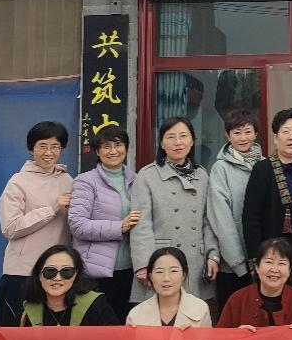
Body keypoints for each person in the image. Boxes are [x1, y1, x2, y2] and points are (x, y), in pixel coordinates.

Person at [129, 116, 219, 307]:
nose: (178, 142)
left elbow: (208, 220)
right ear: (162, 143)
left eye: (183, 136)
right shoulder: (147, 175)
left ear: (192, 141)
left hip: (195, 261)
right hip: (160, 261)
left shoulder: (201, 174)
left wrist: (212, 254)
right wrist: (144, 264)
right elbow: (141, 224)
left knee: (193, 316)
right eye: (171, 137)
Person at [0, 121, 74, 326]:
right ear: (31, 149)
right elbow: (10, 228)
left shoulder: (68, 181)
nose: (49, 152)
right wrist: (51, 208)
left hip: (57, 274)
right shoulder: (18, 182)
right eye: (42, 146)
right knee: (16, 335)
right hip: (23, 273)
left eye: (55, 147)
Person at [68, 125, 139, 322]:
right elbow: (77, 225)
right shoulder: (86, 181)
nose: (113, 151)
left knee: (124, 326)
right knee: (97, 329)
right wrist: (119, 227)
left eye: (118, 145)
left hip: (130, 270)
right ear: (97, 152)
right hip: (96, 272)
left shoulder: (137, 180)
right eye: (106, 146)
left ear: (126, 148)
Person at [243, 108, 292, 294]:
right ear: (276, 138)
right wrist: (257, 259)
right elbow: (251, 218)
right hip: (277, 259)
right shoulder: (263, 170)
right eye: (286, 132)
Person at [206, 110, 264, 313]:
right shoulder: (220, 168)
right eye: (237, 133)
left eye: (248, 131)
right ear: (228, 135)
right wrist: (238, 262)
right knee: (233, 316)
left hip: (263, 262)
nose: (243, 138)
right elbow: (221, 218)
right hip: (231, 265)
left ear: (256, 133)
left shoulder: (265, 165)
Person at [217, 237, 292, 330]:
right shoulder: (237, 300)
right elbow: (220, 337)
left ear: (289, 270)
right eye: (269, 262)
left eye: (281, 263)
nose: (274, 269)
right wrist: (236, 334)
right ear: (257, 267)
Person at [20, 244, 118, 326]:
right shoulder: (27, 310)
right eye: (50, 271)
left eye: (66, 271)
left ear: (75, 275)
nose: (57, 278)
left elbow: (115, 339)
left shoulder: (96, 305)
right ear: (39, 275)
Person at [126, 247, 210, 329]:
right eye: (159, 272)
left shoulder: (200, 308)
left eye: (174, 271)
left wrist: (194, 335)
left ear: (183, 275)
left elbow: (208, 338)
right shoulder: (136, 314)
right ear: (151, 277)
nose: (166, 278)